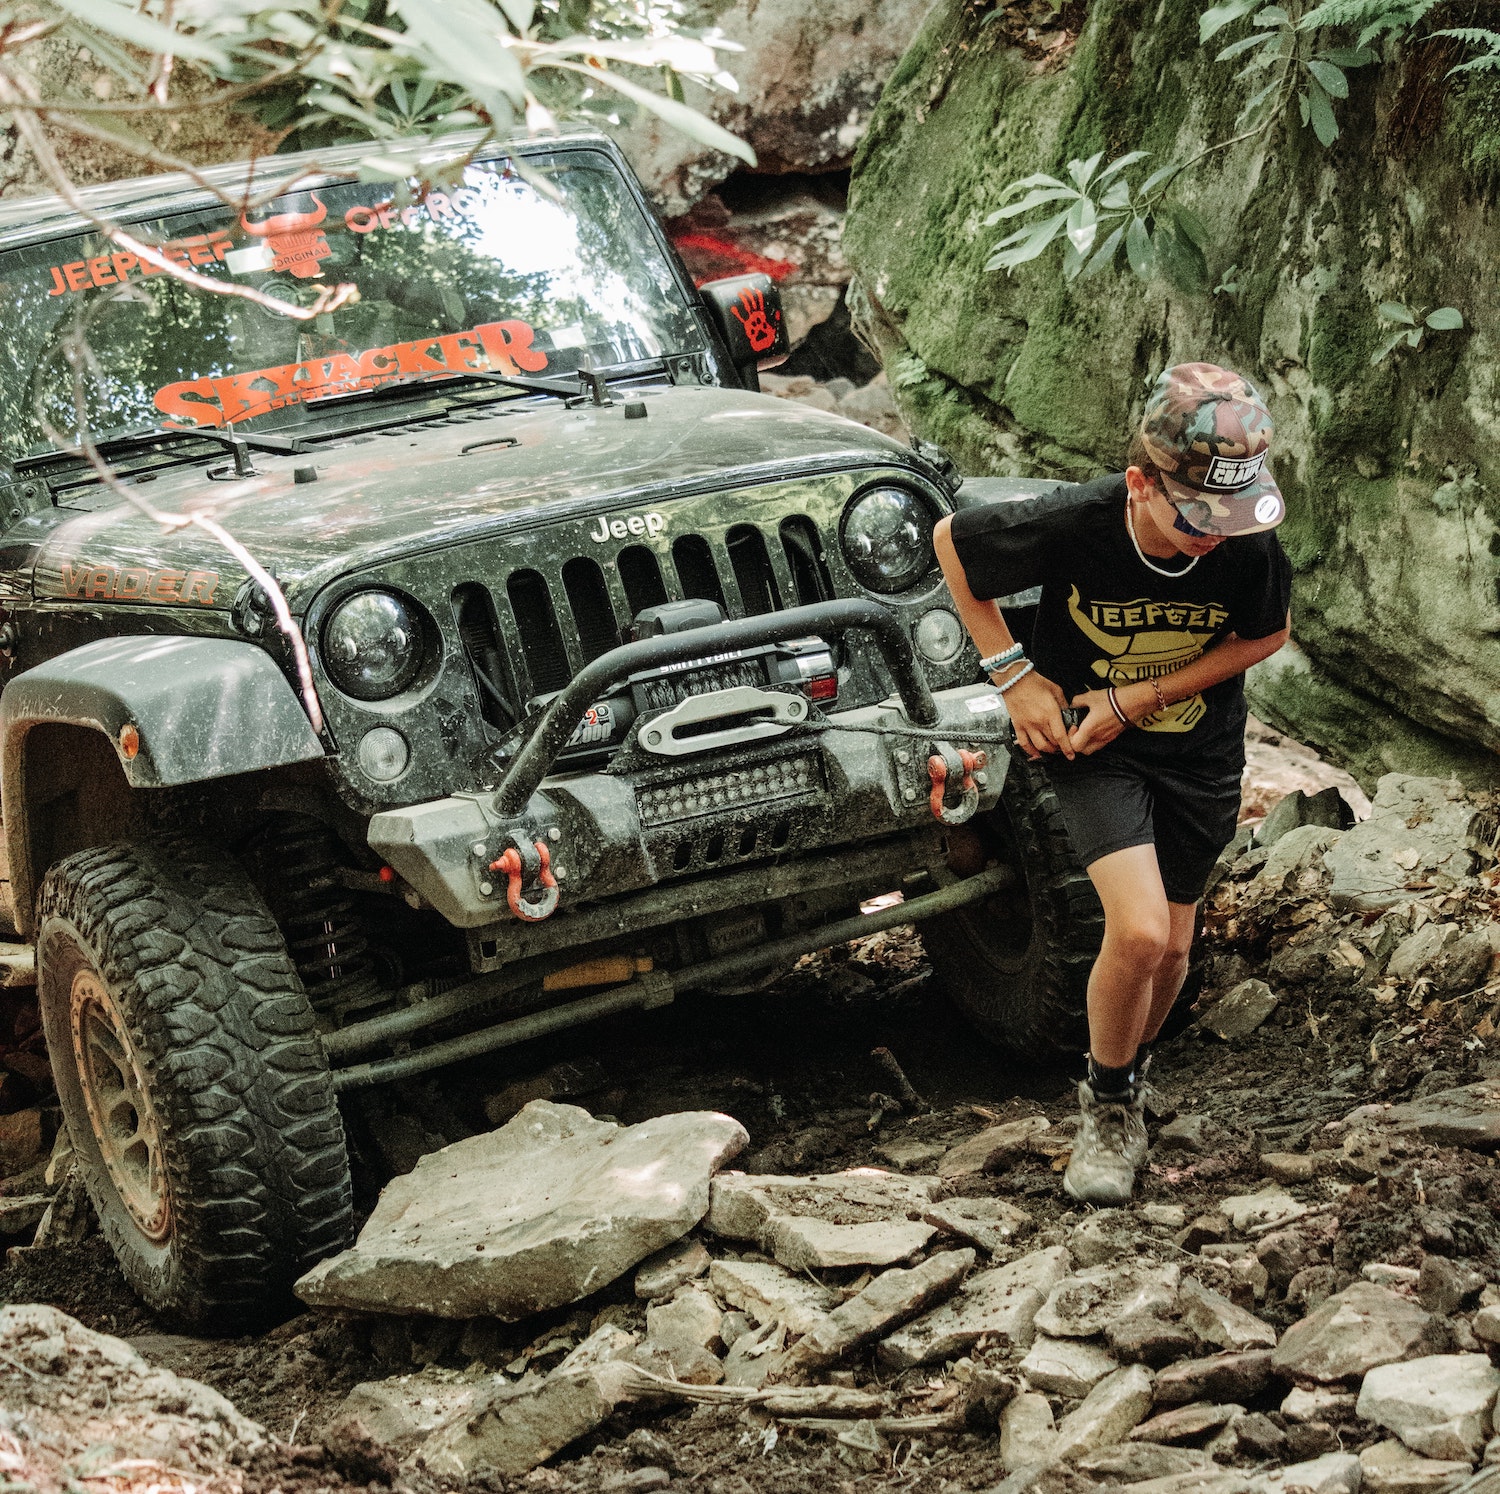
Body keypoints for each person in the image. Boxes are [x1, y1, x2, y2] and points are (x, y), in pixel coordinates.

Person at [933, 362, 1293, 1203]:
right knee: (1134, 934)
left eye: (1230, 515)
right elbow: (953, 541)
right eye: (1196, 516)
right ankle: (1107, 1108)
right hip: (1091, 749)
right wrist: (1013, 674)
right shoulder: (1080, 521)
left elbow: (1265, 635)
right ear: (1141, 481)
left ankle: (1126, 1067)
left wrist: (1138, 698)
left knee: (1171, 950)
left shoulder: (1244, 539)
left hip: (1196, 749)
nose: (1216, 535)